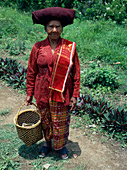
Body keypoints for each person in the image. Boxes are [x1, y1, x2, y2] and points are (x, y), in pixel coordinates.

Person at [25, 7, 80, 160]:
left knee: (61, 121)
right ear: (45, 28)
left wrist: (75, 94)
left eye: (58, 26)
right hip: (41, 92)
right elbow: (31, 71)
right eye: (51, 26)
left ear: (62, 28)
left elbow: (76, 73)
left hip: (62, 93)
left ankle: (61, 146)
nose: (54, 29)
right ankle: (47, 144)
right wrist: (29, 93)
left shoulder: (69, 48)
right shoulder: (38, 47)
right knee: (45, 121)